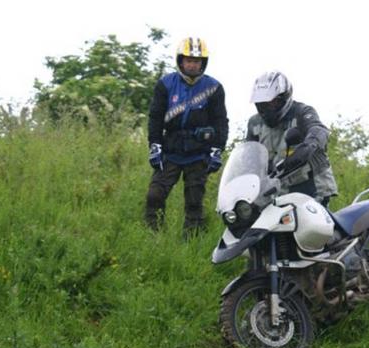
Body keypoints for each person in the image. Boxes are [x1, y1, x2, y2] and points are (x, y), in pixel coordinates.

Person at [144, 37, 229, 236]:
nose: (192, 64)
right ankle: (153, 236)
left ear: (203, 63)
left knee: (194, 202)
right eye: (189, 60)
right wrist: (154, 145)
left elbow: (220, 121)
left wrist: (218, 150)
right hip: (170, 150)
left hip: (198, 153)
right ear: (180, 61)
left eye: (197, 61)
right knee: (154, 195)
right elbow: (155, 117)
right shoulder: (165, 84)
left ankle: (191, 242)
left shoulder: (214, 88)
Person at [246, 71, 338, 206]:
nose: (267, 108)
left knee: (316, 224)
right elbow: (248, 153)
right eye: (262, 104)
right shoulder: (255, 122)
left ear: (284, 98)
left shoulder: (302, 112)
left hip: (310, 183)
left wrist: (309, 145)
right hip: (277, 187)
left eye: (271, 103)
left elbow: (319, 129)